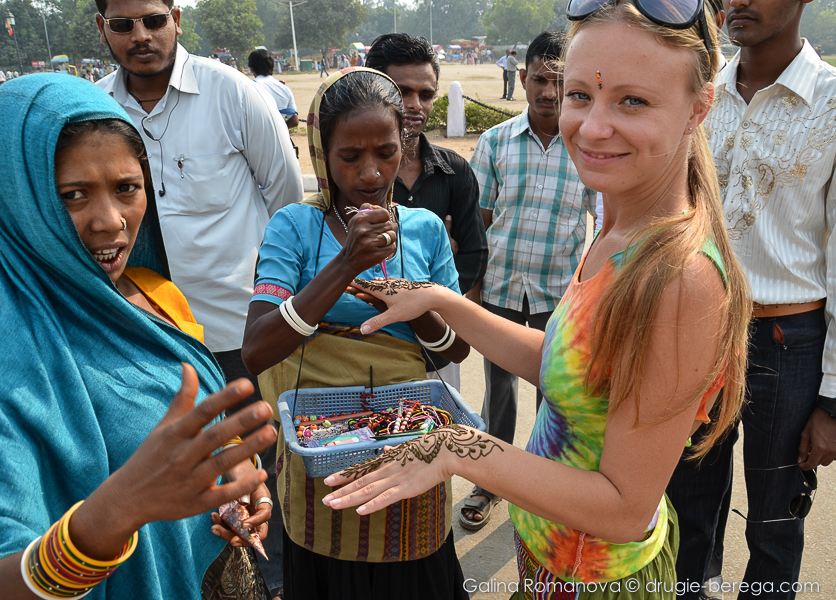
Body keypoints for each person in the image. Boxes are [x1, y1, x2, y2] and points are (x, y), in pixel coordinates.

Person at [323, 1, 754, 597]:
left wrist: (456, 447)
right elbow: (562, 362)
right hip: (548, 559)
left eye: (633, 101)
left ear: (699, 106)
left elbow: (625, 506)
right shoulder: (617, 224)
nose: (594, 126)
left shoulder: (679, 277)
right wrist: (439, 301)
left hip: (597, 579)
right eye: (581, 95)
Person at [0, 74, 277, 600]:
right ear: (17, 201)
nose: (110, 221)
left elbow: (189, 433)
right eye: (73, 196)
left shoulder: (152, 294)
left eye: (126, 188)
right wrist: (114, 513)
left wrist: (238, 482)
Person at [94, 4, 302, 595]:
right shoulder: (94, 109)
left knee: (260, 477)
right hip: (142, 335)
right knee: (176, 482)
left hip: (237, 336)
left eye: (153, 20)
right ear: (101, 28)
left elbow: (284, 199)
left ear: (176, 19)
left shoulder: (231, 93)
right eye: (123, 24)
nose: (141, 36)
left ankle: (276, 583)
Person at [242, 67, 470, 600]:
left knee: (414, 572)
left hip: (408, 435)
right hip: (320, 449)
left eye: (386, 152)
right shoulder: (294, 227)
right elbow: (256, 349)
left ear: (404, 144)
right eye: (350, 157)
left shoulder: (424, 230)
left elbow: (455, 348)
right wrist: (344, 266)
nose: (370, 173)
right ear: (323, 152)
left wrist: (411, 304)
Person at [666, 0, 836, 597]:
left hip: (788, 342)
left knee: (775, 521)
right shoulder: (698, 93)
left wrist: (833, 400)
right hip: (695, 330)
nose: (736, 1)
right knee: (684, 509)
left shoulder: (831, 103)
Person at [464, 30, 598, 530]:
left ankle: (546, 489)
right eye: (541, 79)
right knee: (497, 390)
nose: (549, 92)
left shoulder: (589, 146)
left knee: (555, 394)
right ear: (523, 79)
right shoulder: (495, 142)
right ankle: (490, 482)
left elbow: (603, 224)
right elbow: (476, 222)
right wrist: (472, 291)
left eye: (561, 83)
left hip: (558, 295)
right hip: (499, 286)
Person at [365, 32, 488, 389]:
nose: (416, 105)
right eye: (403, 91)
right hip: (368, 344)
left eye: (426, 94)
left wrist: (430, 298)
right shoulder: (354, 176)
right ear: (375, 88)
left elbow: (474, 256)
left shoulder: (455, 171)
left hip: (438, 350)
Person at [248, 49, 300, 129]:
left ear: (253, 69)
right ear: (271, 66)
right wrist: (280, 129)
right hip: (282, 139)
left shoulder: (250, 88)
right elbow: (294, 121)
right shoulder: (285, 89)